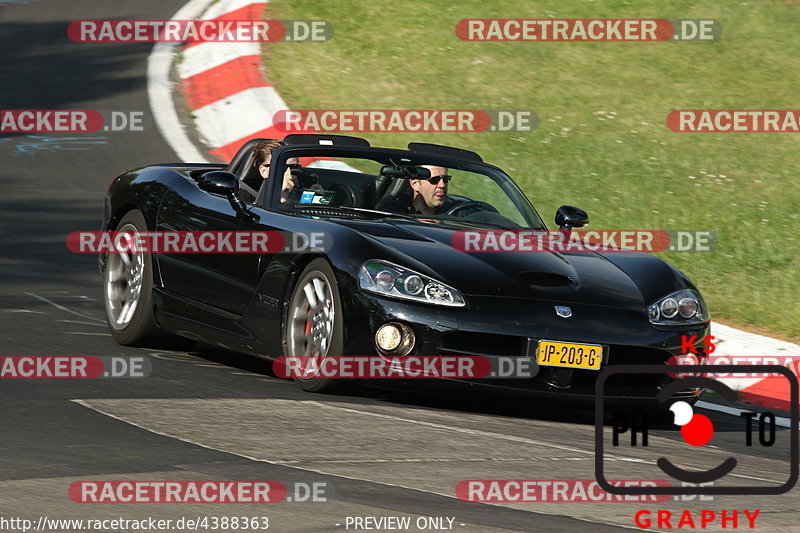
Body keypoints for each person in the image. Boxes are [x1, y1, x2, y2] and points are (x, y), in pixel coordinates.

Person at [239, 139, 301, 204]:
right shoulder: (244, 198)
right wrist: (282, 194)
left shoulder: (306, 191)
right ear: (263, 171)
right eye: (282, 167)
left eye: (294, 167)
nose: (289, 173)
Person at [377, 165, 454, 215]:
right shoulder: (393, 213)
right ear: (415, 184)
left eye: (446, 179)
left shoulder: (455, 212)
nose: (442, 185)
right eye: (434, 180)